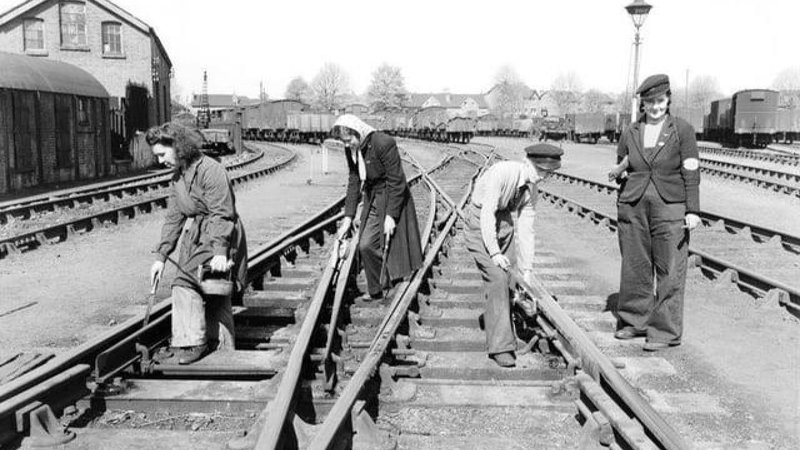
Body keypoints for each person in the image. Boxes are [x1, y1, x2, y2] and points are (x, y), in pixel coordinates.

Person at [611, 74, 701, 351]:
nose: (655, 107)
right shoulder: (631, 131)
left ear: (668, 99)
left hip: (670, 206)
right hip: (634, 204)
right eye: (650, 102)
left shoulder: (682, 130)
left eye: (660, 101)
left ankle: (664, 332)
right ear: (643, 104)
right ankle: (634, 322)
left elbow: (691, 172)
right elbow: (621, 166)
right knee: (635, 265)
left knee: (670, 268)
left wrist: (692, 210)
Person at [147, 122, 248, 365]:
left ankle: (192, 342)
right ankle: (221, 345)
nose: (160, 161)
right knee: (212, 287)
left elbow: (222, 213)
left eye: (162, 154)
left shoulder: (210, 170)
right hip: (196, 236)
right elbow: (174, 218)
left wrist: (220, 251)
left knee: (185, 281)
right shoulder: (177, 178)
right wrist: (160, 257)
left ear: (178, 147)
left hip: (219, 233)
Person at [465, 143, 563, 368]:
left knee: (512, 280)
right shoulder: (502, 173)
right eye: (540, 172)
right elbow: (487, 213)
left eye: (548, 174)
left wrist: (527, 271)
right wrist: (495, 252)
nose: (542, 178)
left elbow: (527, 229)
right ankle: (501, 347)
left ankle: (507, 327)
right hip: (479, 223)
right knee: (497, 278)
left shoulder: (531, 189)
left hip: (505, 223)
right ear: (527, 162)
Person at [334, 114, 423, 301]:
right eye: (344, 141)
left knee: (392, 240)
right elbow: (354, 180)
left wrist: (391, 215)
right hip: (373, 196)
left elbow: (397, 181)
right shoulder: (351, 149)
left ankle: (392, 284)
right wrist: (348, 218)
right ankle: (377, 287)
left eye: (349, 140)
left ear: (358, 133)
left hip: (392, 194)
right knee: (366, 244)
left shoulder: (384, 143)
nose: (347, 145)